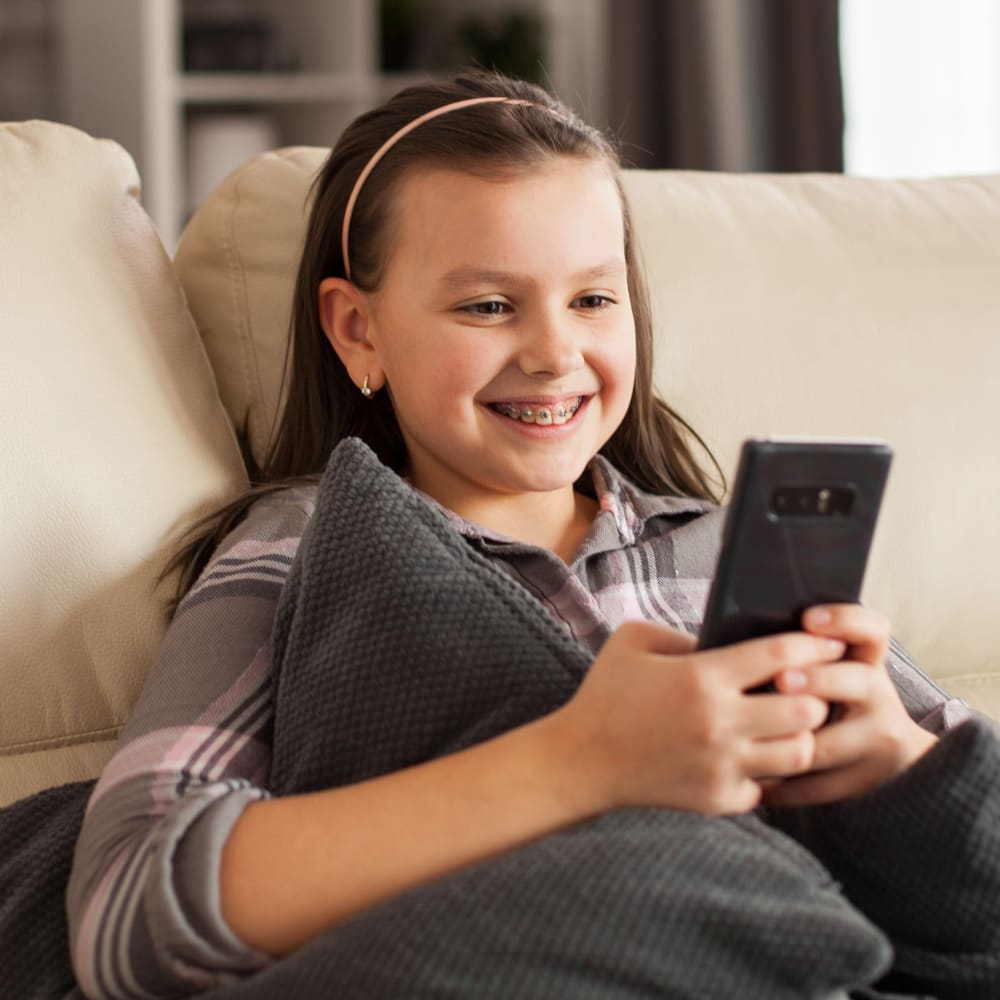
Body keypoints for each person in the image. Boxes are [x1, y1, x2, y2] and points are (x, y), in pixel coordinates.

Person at [67, 71, 991, 1000]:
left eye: (593, 300)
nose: (555, 354)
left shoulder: (724, 552)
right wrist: (584, 761)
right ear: (359, 332)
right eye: (488, 306)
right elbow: (126, 911)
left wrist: (895, 765)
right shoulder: (301, 546)